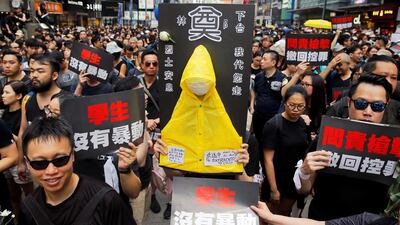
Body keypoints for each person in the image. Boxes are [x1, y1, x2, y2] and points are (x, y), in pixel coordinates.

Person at [296, 75, 393, 220]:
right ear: (349, 102)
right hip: (323, 219)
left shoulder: (392, 145)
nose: (368, 111)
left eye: (377, 106)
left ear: (386, 105)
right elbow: (305, 189)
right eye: (361, 104)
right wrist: (304, 172)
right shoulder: (329, 136)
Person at [19, 117, 137, 225]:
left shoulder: (106, 201)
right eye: (39, 163)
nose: (51, 171)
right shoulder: (28, 208)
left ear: (73, 155)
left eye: (60, 160)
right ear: (27, 163)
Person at [262, 85, 309, 216]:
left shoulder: (303, 123)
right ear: (284, 103)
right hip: (276, 178)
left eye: (300, 106)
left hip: (294, 180)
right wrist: (274, 189)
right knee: (269, 215)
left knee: (285, 213)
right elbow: (268, 159)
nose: (295, 110)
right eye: (291, 105)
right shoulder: (273, 124)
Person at [17, 54, 64, 181]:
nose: (34, 75)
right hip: (37, 167)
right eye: (32, 71)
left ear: (54, 75)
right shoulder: (27, 99)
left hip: (60, 169)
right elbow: (23, 132)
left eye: (40, 71)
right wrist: (21, 161)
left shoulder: (67, 101)